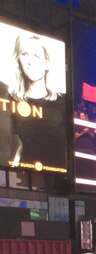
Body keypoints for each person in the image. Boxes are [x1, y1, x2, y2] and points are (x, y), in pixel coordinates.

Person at [3, 34, 66, 169]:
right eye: (25, 54)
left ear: (47, 63)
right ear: (18, 58)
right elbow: (14, 142)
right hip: (22, 177)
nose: (29, 62)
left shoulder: (64, 102)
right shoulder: (9, 98)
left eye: (36, 56)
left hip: (57, 180)